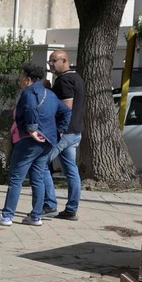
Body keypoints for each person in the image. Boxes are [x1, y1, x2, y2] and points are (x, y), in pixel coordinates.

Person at [0, 63, 71, 227]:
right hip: (47, 142)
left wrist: (32, 129)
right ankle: (36, 216)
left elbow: (31, 108)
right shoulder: (50, 94)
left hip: (29, 141)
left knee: (16, 178)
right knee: (38, 178)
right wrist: (60, 130)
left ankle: (7, 215)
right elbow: (66, 111)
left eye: (21, 76)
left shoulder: (29, 92)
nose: (20, 79)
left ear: (28, 79)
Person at [38, 50, 85, 220]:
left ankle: (50, 204)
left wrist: (48, 93)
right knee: (71, 170)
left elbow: (66, 108)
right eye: (49, 61)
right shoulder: (76, 78)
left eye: (53, 61)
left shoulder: (65, 81)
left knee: (40, 163)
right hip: (75, 131)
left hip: (63, 133)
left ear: (64, 60)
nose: (50, 64)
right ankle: (71, 209)